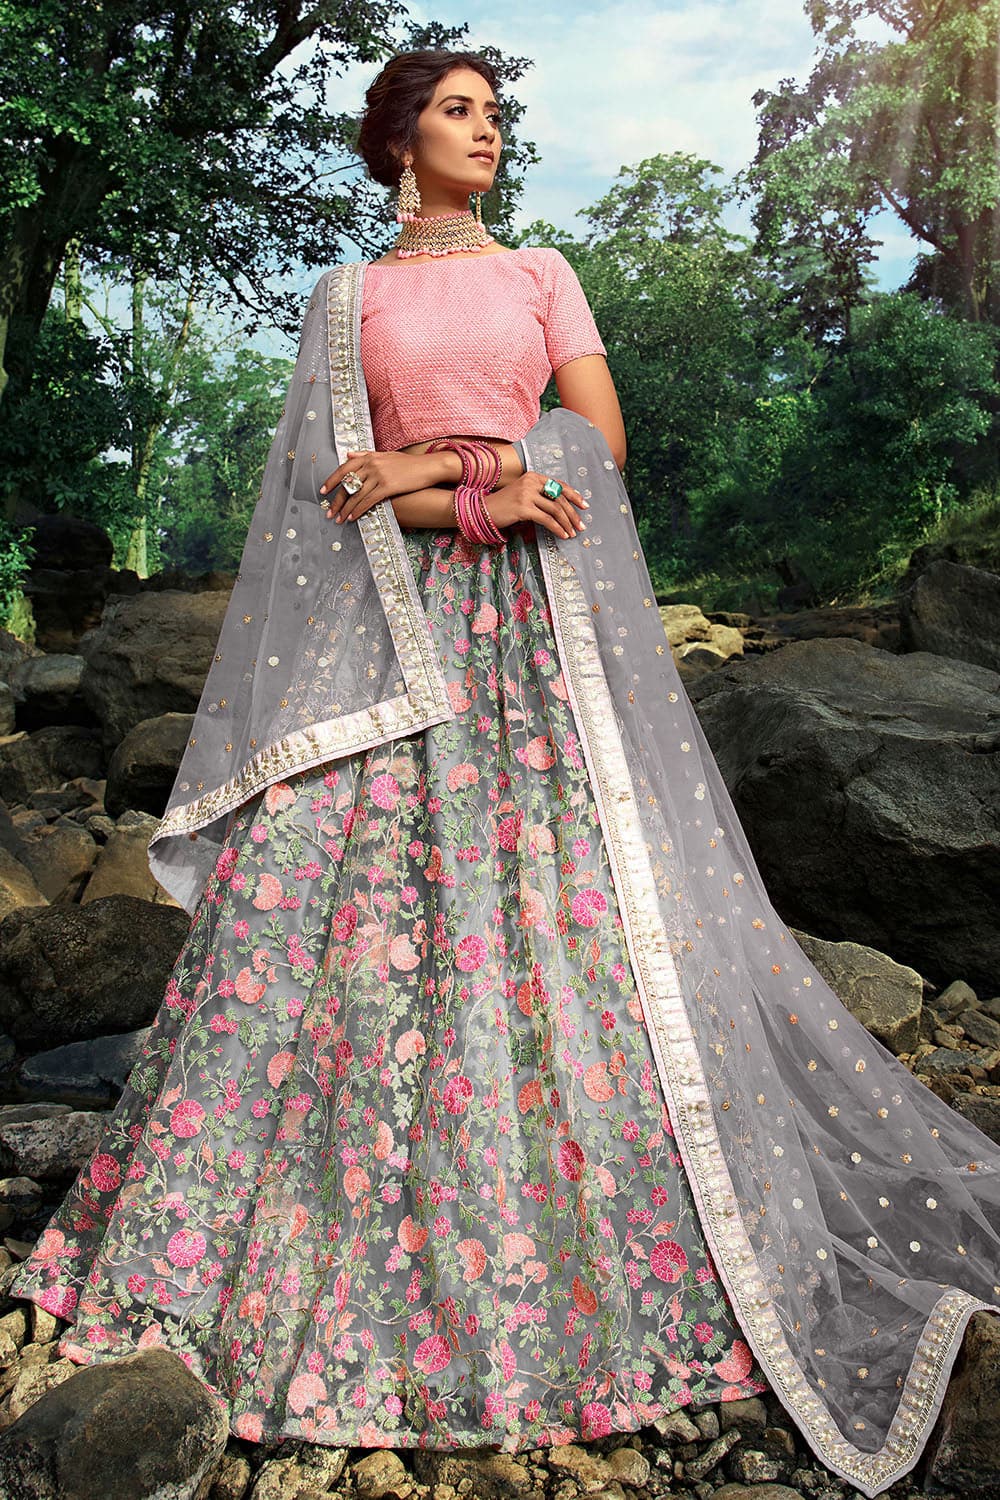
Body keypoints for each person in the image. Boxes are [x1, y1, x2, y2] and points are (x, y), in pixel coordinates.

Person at [10, 49, 1000, 1498]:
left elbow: (591, 441)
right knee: (334, 931)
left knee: (557, 914)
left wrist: (446, 478)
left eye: (495, 110)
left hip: (539, 642)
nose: (487, 129)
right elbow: (327, 484)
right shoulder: (346, 298)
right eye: (460, 109)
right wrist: (454, 482)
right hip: (391, 641)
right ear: (400, 138)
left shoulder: (542, 270)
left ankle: (593, 1254)